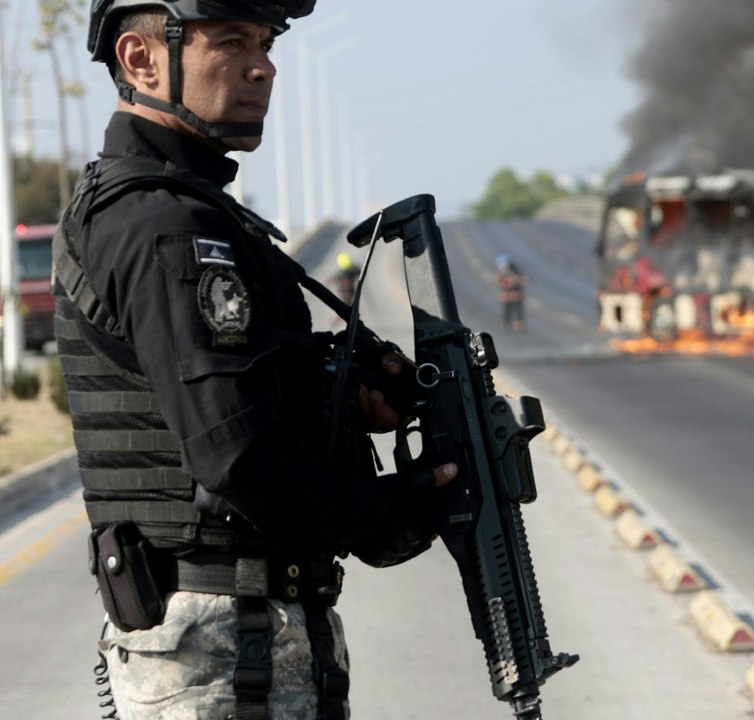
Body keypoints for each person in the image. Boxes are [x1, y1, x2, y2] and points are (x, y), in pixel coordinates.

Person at [53, 2, 456, 718]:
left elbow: (235, 393)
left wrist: (339, 387)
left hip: (242, 645)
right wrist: (396, 507)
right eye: (231, 42)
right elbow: (237, 457)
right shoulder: (165, 226)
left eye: (266, 44)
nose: (262, 67)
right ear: (141, 58)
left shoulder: (193, 212)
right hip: (221, 655)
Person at [495, 254, 527, 331]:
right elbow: (499, 280)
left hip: (516, 291)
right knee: (507, 307)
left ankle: (519, 323)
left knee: (517, 307)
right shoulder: (502, 271)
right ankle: (506, 322)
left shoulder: (515, 270)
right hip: (507, 292)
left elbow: (522, 280)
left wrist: (513, 282)